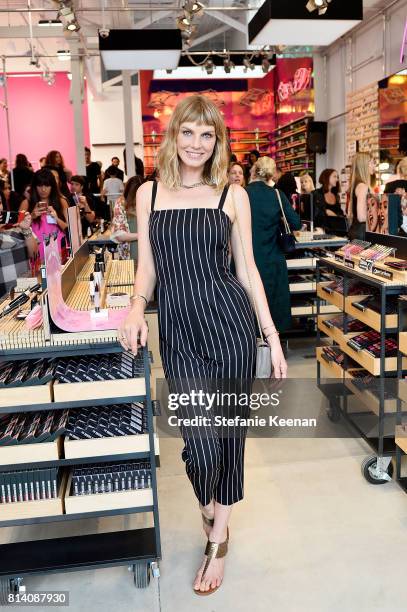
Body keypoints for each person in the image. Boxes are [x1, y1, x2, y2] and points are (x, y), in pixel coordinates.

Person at [118, 94, 287, 596]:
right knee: (198, 441)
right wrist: (134, 307)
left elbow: (248, 271)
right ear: (174, 136)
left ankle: (218, 539)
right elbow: (147, 266)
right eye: (188, 133)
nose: (196, 143)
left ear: (218, 141)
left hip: (231, 325)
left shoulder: (229, 195)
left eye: (206, 135)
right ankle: (212, 509)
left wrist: (272, 340)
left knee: (229, 436)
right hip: (179, 329)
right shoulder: (149, 193)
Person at [247, 156, 301, 333]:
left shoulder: (242, 193)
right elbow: (296, 223)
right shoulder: (277, 195)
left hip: (247, 259)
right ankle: (272, 348)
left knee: (249, 306)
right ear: (272, 175)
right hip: (273, 259)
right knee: (272, 306)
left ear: (254, 171)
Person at [20, 169, 68, 261]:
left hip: (59, 251)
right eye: (39, 185)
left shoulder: (61, 202)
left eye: (47, 185)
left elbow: (69, 230)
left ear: (52, 186)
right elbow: (18, 230)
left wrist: (57, 218)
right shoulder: (26, 203)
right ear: (34, 186)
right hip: (36, 250)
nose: (43, 189)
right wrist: (32, 216)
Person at [0, 207, 38, 299]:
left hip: (23, 293)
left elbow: (34, 254)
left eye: (0, 202)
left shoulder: (17, 229)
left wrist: (26, 229)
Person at [111, 176, 141, 260]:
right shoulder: (121, 203)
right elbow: (119, 235)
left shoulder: (150, 203)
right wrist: (144, 236)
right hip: (129, 257)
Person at [347, 152, 376, 240]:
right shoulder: (363, 187)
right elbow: (361, 217)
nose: (374, 166)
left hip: (357, 231)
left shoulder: (356, 185)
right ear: (365, 165)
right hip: (362, 233)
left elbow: (350, 213)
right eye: (373, 162)